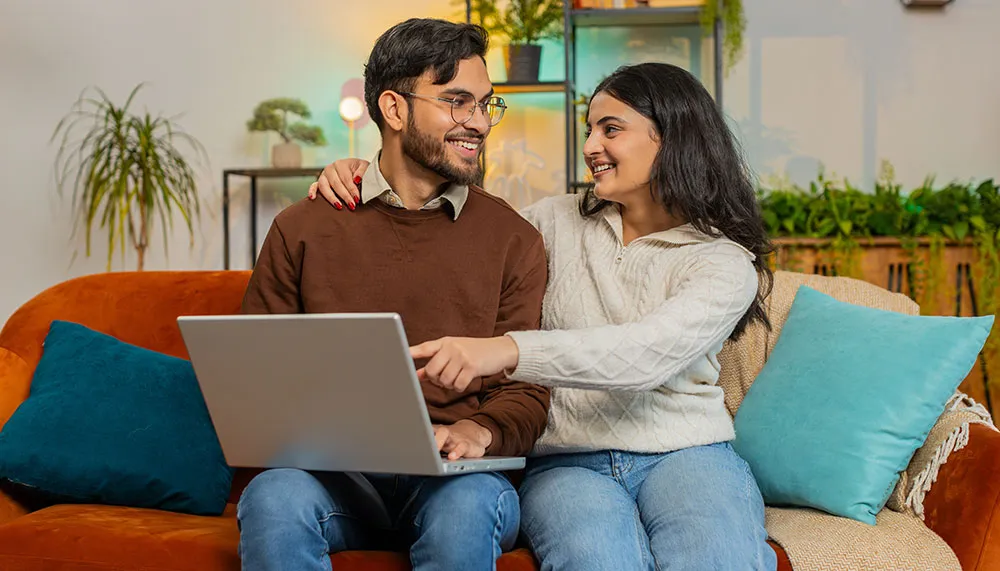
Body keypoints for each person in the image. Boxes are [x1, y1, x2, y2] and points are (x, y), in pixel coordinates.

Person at [309, 62, 778, 570]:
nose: (590, 146)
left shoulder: (723, 262)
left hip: (689, 456)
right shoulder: (550, 222)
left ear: (671, 139)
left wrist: (505, 351)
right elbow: (449, 229)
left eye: (611, 129)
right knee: (598, 560)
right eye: (590, 129)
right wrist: (371, 174)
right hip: (566, 464)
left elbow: (645, 355)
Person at [237, 18, 551, 571]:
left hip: (457, 482)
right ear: (395, 108)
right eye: (457, 102)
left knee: (464, 513)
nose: (477, 122)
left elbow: (528, 387)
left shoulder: (513, 239)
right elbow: (258, 373)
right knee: (273, 497)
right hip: (335, 479)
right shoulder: (304, 226)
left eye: (485, 104)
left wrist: (478, 430)